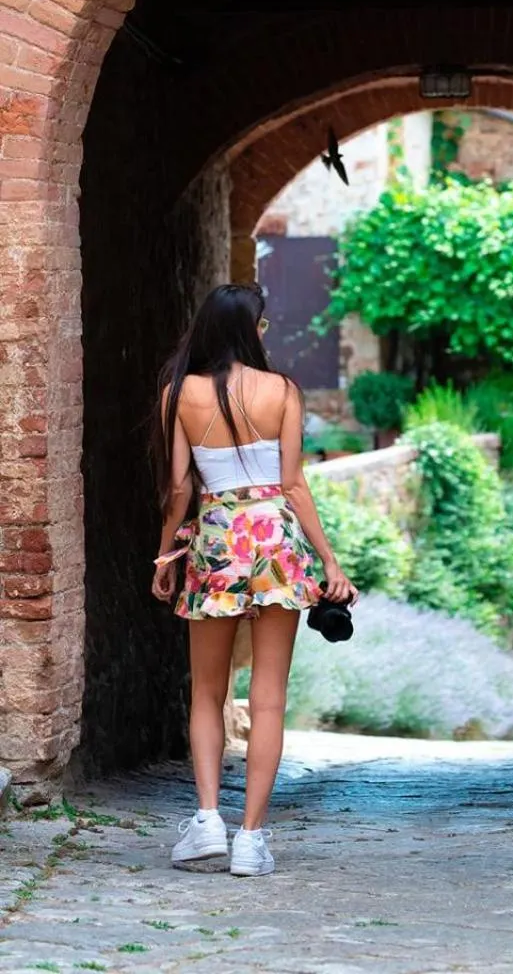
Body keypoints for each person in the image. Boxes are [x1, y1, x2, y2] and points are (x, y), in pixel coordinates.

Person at [150, 281, 357, 877]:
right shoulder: (282, 391)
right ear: (251, 330)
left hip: (216, 540)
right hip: (276, 542)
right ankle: (250, 839)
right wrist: (329, 564)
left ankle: (208, 819)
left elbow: (181, 490)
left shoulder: (177, 394)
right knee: (269, 698)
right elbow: (293, 484)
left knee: (207, 693)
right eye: (263, 325)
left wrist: (166, 559)